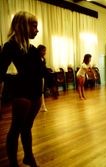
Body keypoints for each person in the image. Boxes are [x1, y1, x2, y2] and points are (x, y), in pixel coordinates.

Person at [0, 11, 45, 167]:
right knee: (16, 129)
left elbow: (39, 71)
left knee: (27, 127)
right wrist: (16, 79)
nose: (37, 30)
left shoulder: (32, 48)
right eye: (34, 26)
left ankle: (28, 156)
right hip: (22, 94)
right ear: (23, 26)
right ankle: (13, 163)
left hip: (35, 93)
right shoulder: (10, 46)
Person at [37, 44, 48, 112]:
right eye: (43, 51)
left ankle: (43, 105)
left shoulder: (43, 59)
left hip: (42, 77)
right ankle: (41, 106)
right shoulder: (36, 58)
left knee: (42, 91)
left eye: (45, 51)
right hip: (37, 77)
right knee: (39, 92)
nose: (44, 52)